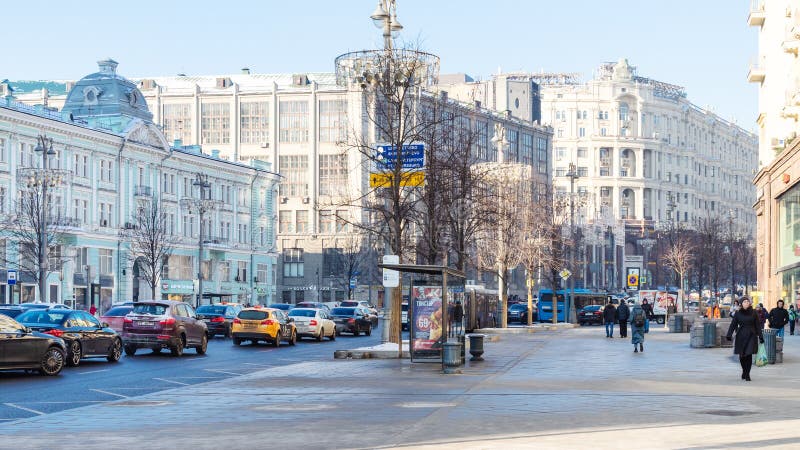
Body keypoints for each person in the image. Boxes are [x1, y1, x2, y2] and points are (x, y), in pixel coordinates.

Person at [726, 297, 764, 381]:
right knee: (742, 355)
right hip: (741, 335)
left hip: (751, 335)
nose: (746, 303)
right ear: (741, 304)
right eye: (744, 302)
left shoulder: (754, 312)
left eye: (747, 301)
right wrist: (729, 335)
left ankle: (747, 374)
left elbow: (758, 325)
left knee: (748, 354)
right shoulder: (738, 313)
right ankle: (744, 371)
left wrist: (761, 336)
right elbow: (733, 324)